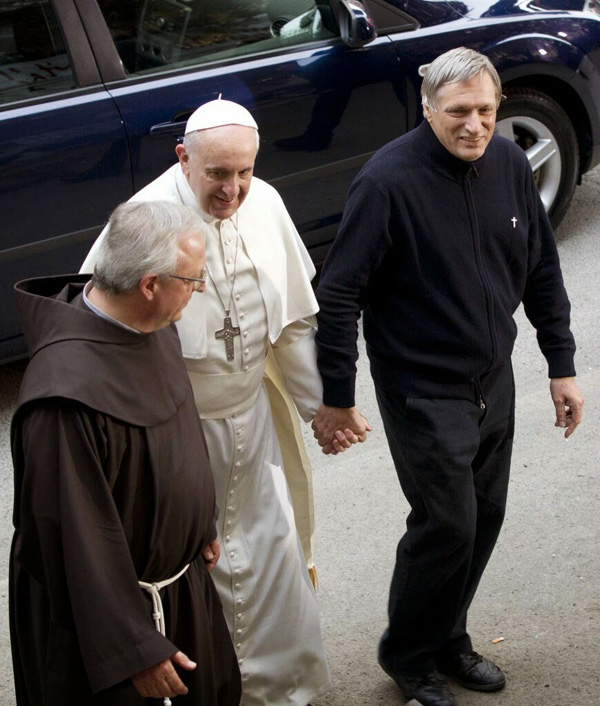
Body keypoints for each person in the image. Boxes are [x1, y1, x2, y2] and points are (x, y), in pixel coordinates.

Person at [311, 47, 584, 706]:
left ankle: (448, 635)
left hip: (494, 379)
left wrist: (562, 363)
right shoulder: (387, 182)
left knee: (484, 516)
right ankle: (407, 655)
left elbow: (542, 268)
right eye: (459, 111)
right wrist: (338, 397)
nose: (476, 124)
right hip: (422, 388)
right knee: (447, 524)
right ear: (428, 106)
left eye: (487, 110)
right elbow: (340, 293)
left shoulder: (513, 165)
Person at [81, 98, 337, 706]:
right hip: (176, 432)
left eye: (244, 172)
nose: (234, 190)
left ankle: (281, 690)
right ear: (182, 157)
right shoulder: (145, 218)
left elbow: (294, 322)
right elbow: (106, 332)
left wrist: (320, 407)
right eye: (218, 174)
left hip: (251, 420)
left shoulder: (265, 202)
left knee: (273, 547)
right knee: (196, 560)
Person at [9, 200, 242, 706]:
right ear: (150, 285)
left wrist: (199, 520)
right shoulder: (63, 398)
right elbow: (73, 534)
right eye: (194, 281)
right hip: (112, 619)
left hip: (179, 585)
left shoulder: (151, 327)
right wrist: (134, 648)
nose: (199, 292)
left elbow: (174, 429)